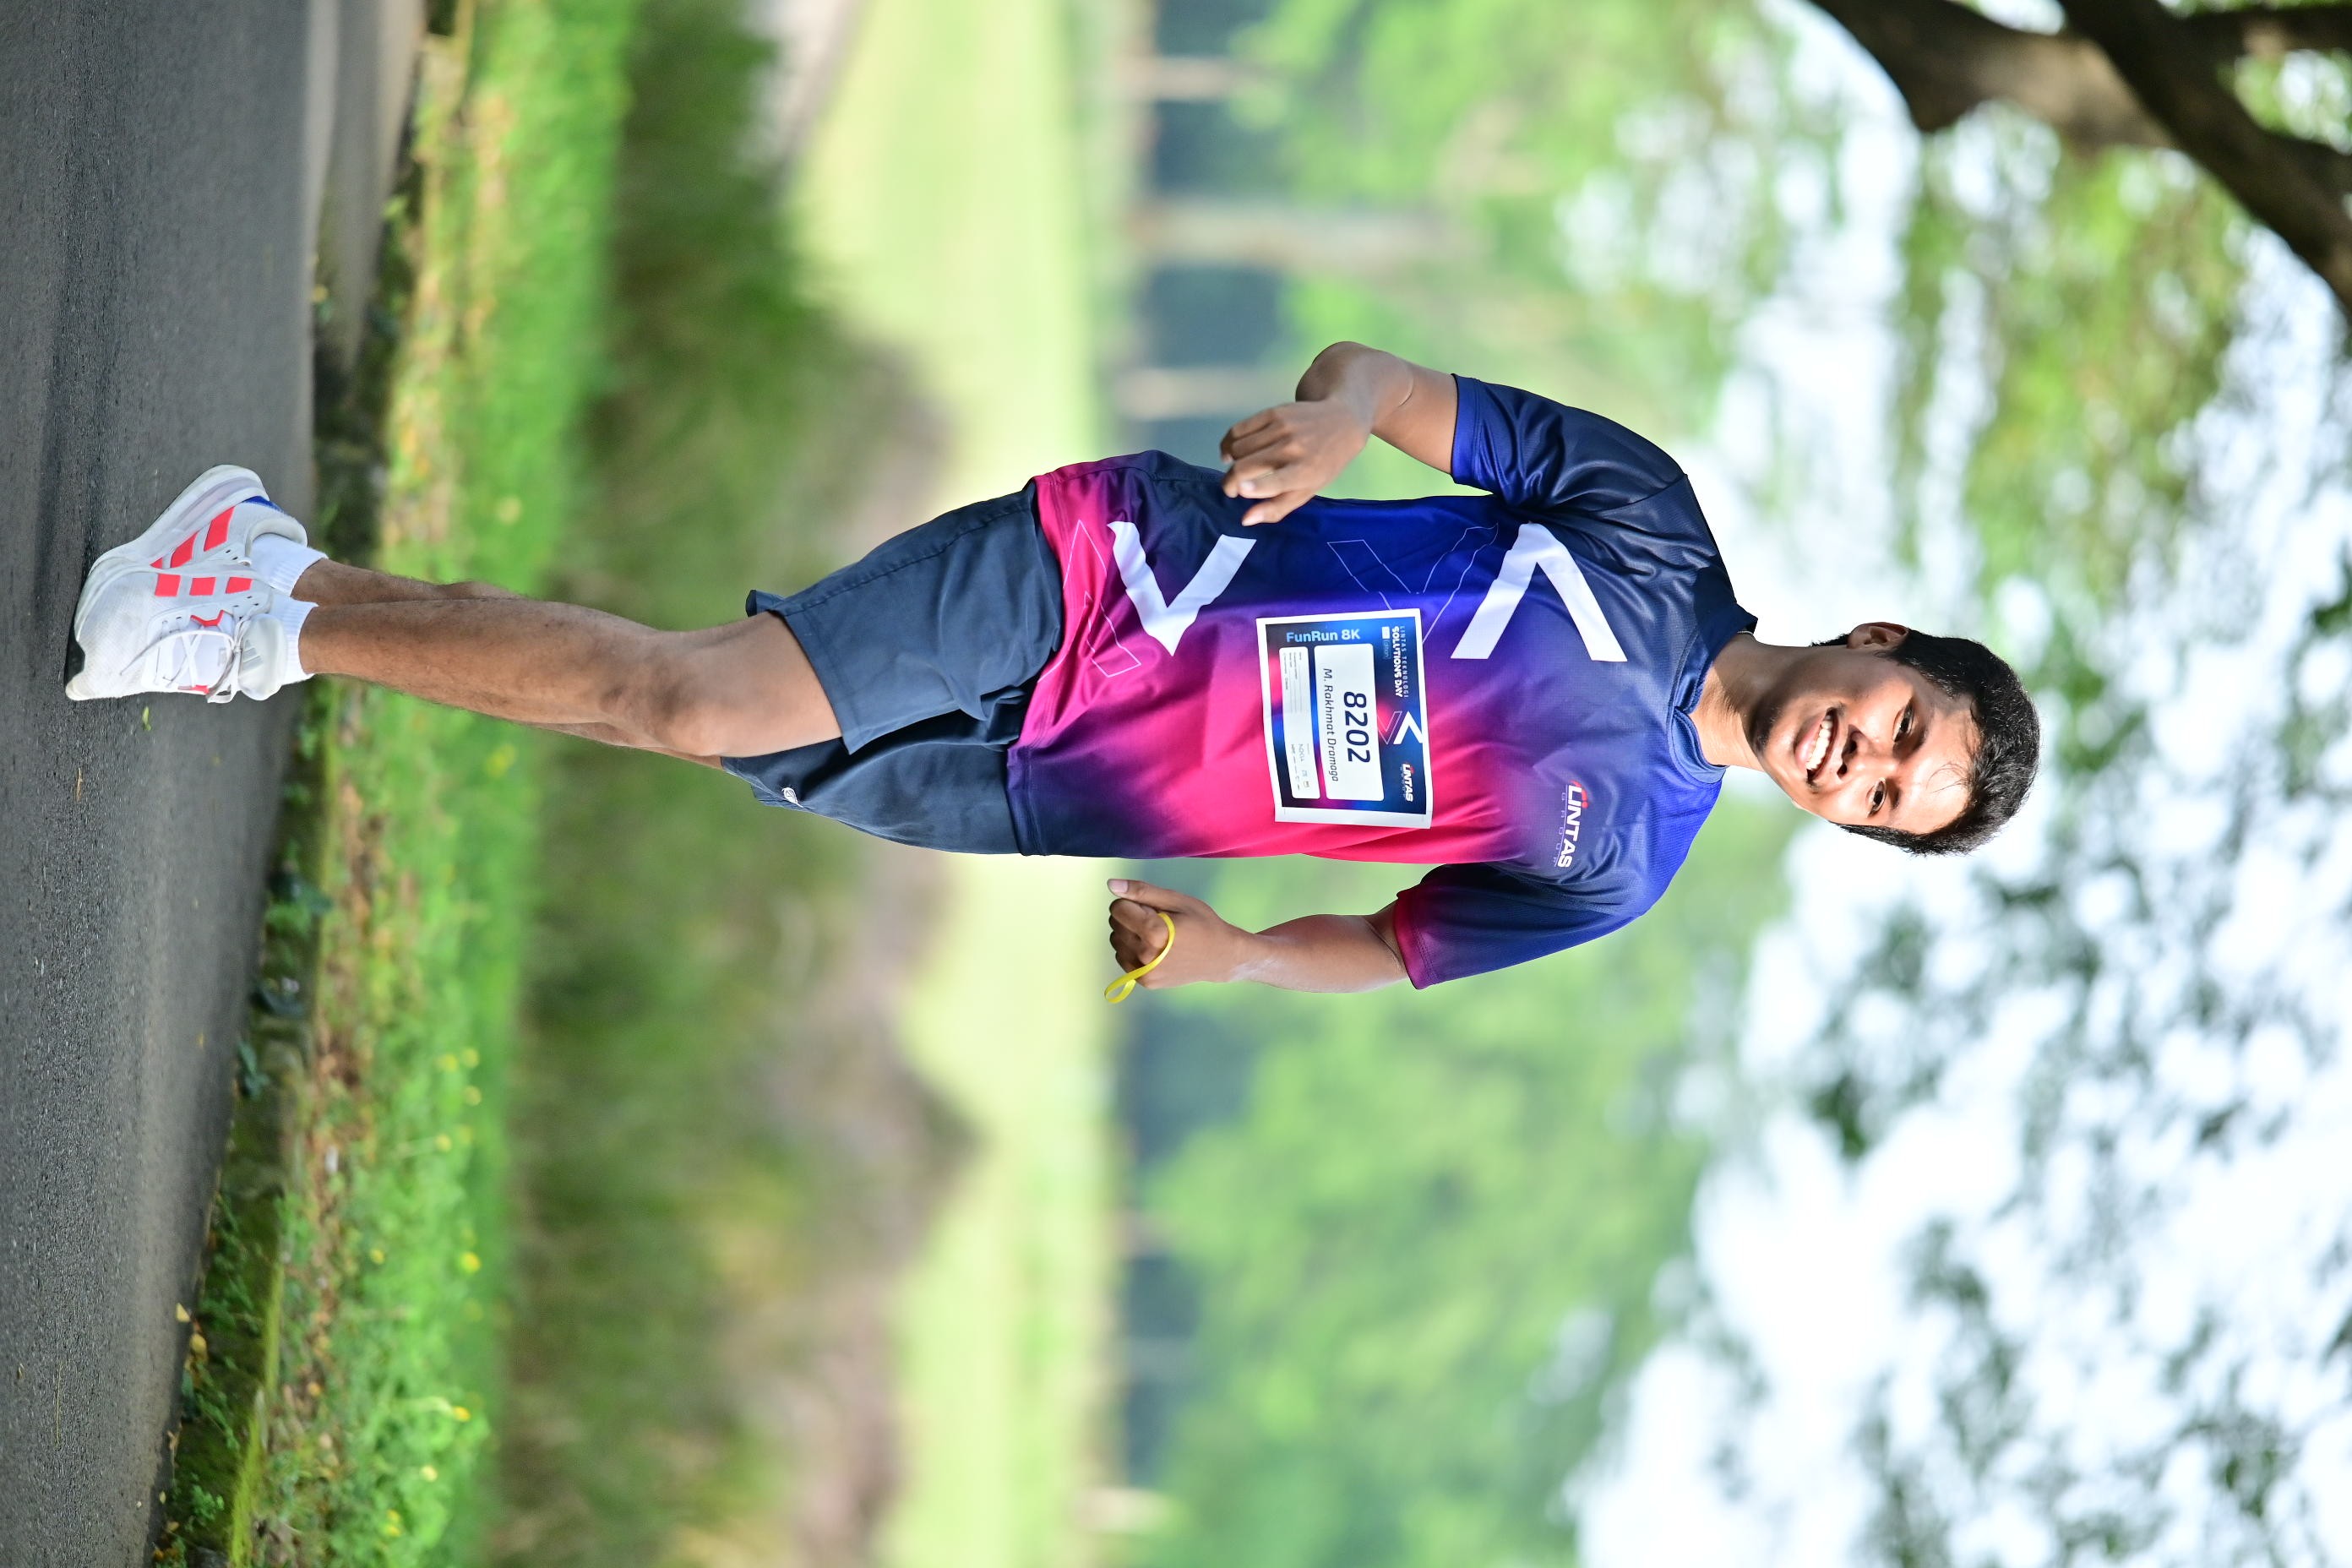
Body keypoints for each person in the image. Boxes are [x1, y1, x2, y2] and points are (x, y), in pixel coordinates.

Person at [66, 343, 2039, 992]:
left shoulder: (1620, 868)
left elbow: (1393, 943)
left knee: (697, 719)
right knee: (696, 698)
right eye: (1901, 726)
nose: (1860, 758)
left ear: (1849, 827)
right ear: (1882, 643)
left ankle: (282, 580)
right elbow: (1374, 379)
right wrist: (1332, 426)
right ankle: (258, 608)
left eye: (1885, 796)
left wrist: (1236, 951)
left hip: (1059, 786)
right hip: (1115, 582)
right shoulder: (1650, 527)